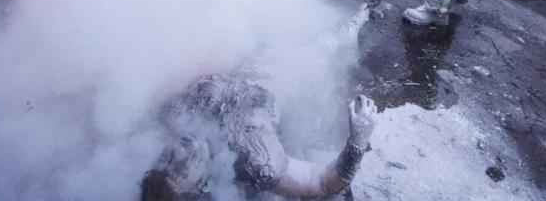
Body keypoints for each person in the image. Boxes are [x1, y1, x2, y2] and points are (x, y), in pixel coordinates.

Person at [142, 72, 377, 199]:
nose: (178, 154)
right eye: (183, 170)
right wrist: (357, 142)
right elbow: (322, 183)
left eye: (167, 162)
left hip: (255, 56)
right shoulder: (257, 159)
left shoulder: (171, 119)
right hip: (293, 76)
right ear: (202, 184)